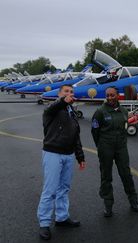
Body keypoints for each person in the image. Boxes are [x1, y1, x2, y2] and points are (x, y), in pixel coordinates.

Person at [37, 84, 85, 240]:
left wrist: (80, 156)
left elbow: (75, 136)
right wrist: (64, 101)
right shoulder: (52, 109)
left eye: (71, 92)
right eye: (66, 92)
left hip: (68, 154)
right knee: (50, 190)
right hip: (52, 153)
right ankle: (44, 223)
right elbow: (54, 106)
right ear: (59, 94)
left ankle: (62, 217)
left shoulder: (72, 113)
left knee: (64, 188)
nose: (69, 94)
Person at [91, 87, 138, 217]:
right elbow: (95, 131)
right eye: (107, 95)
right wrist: (101, 146)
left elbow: (124, 129)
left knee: (126, 174)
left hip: (121, 148)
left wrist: (122, 143)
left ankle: (133, 200)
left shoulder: (123, 111)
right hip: (106, 148)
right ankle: (108, 205)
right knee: (106, 176)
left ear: (118, 95)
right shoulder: (100, 112)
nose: (110, 98)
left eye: (112, 95)